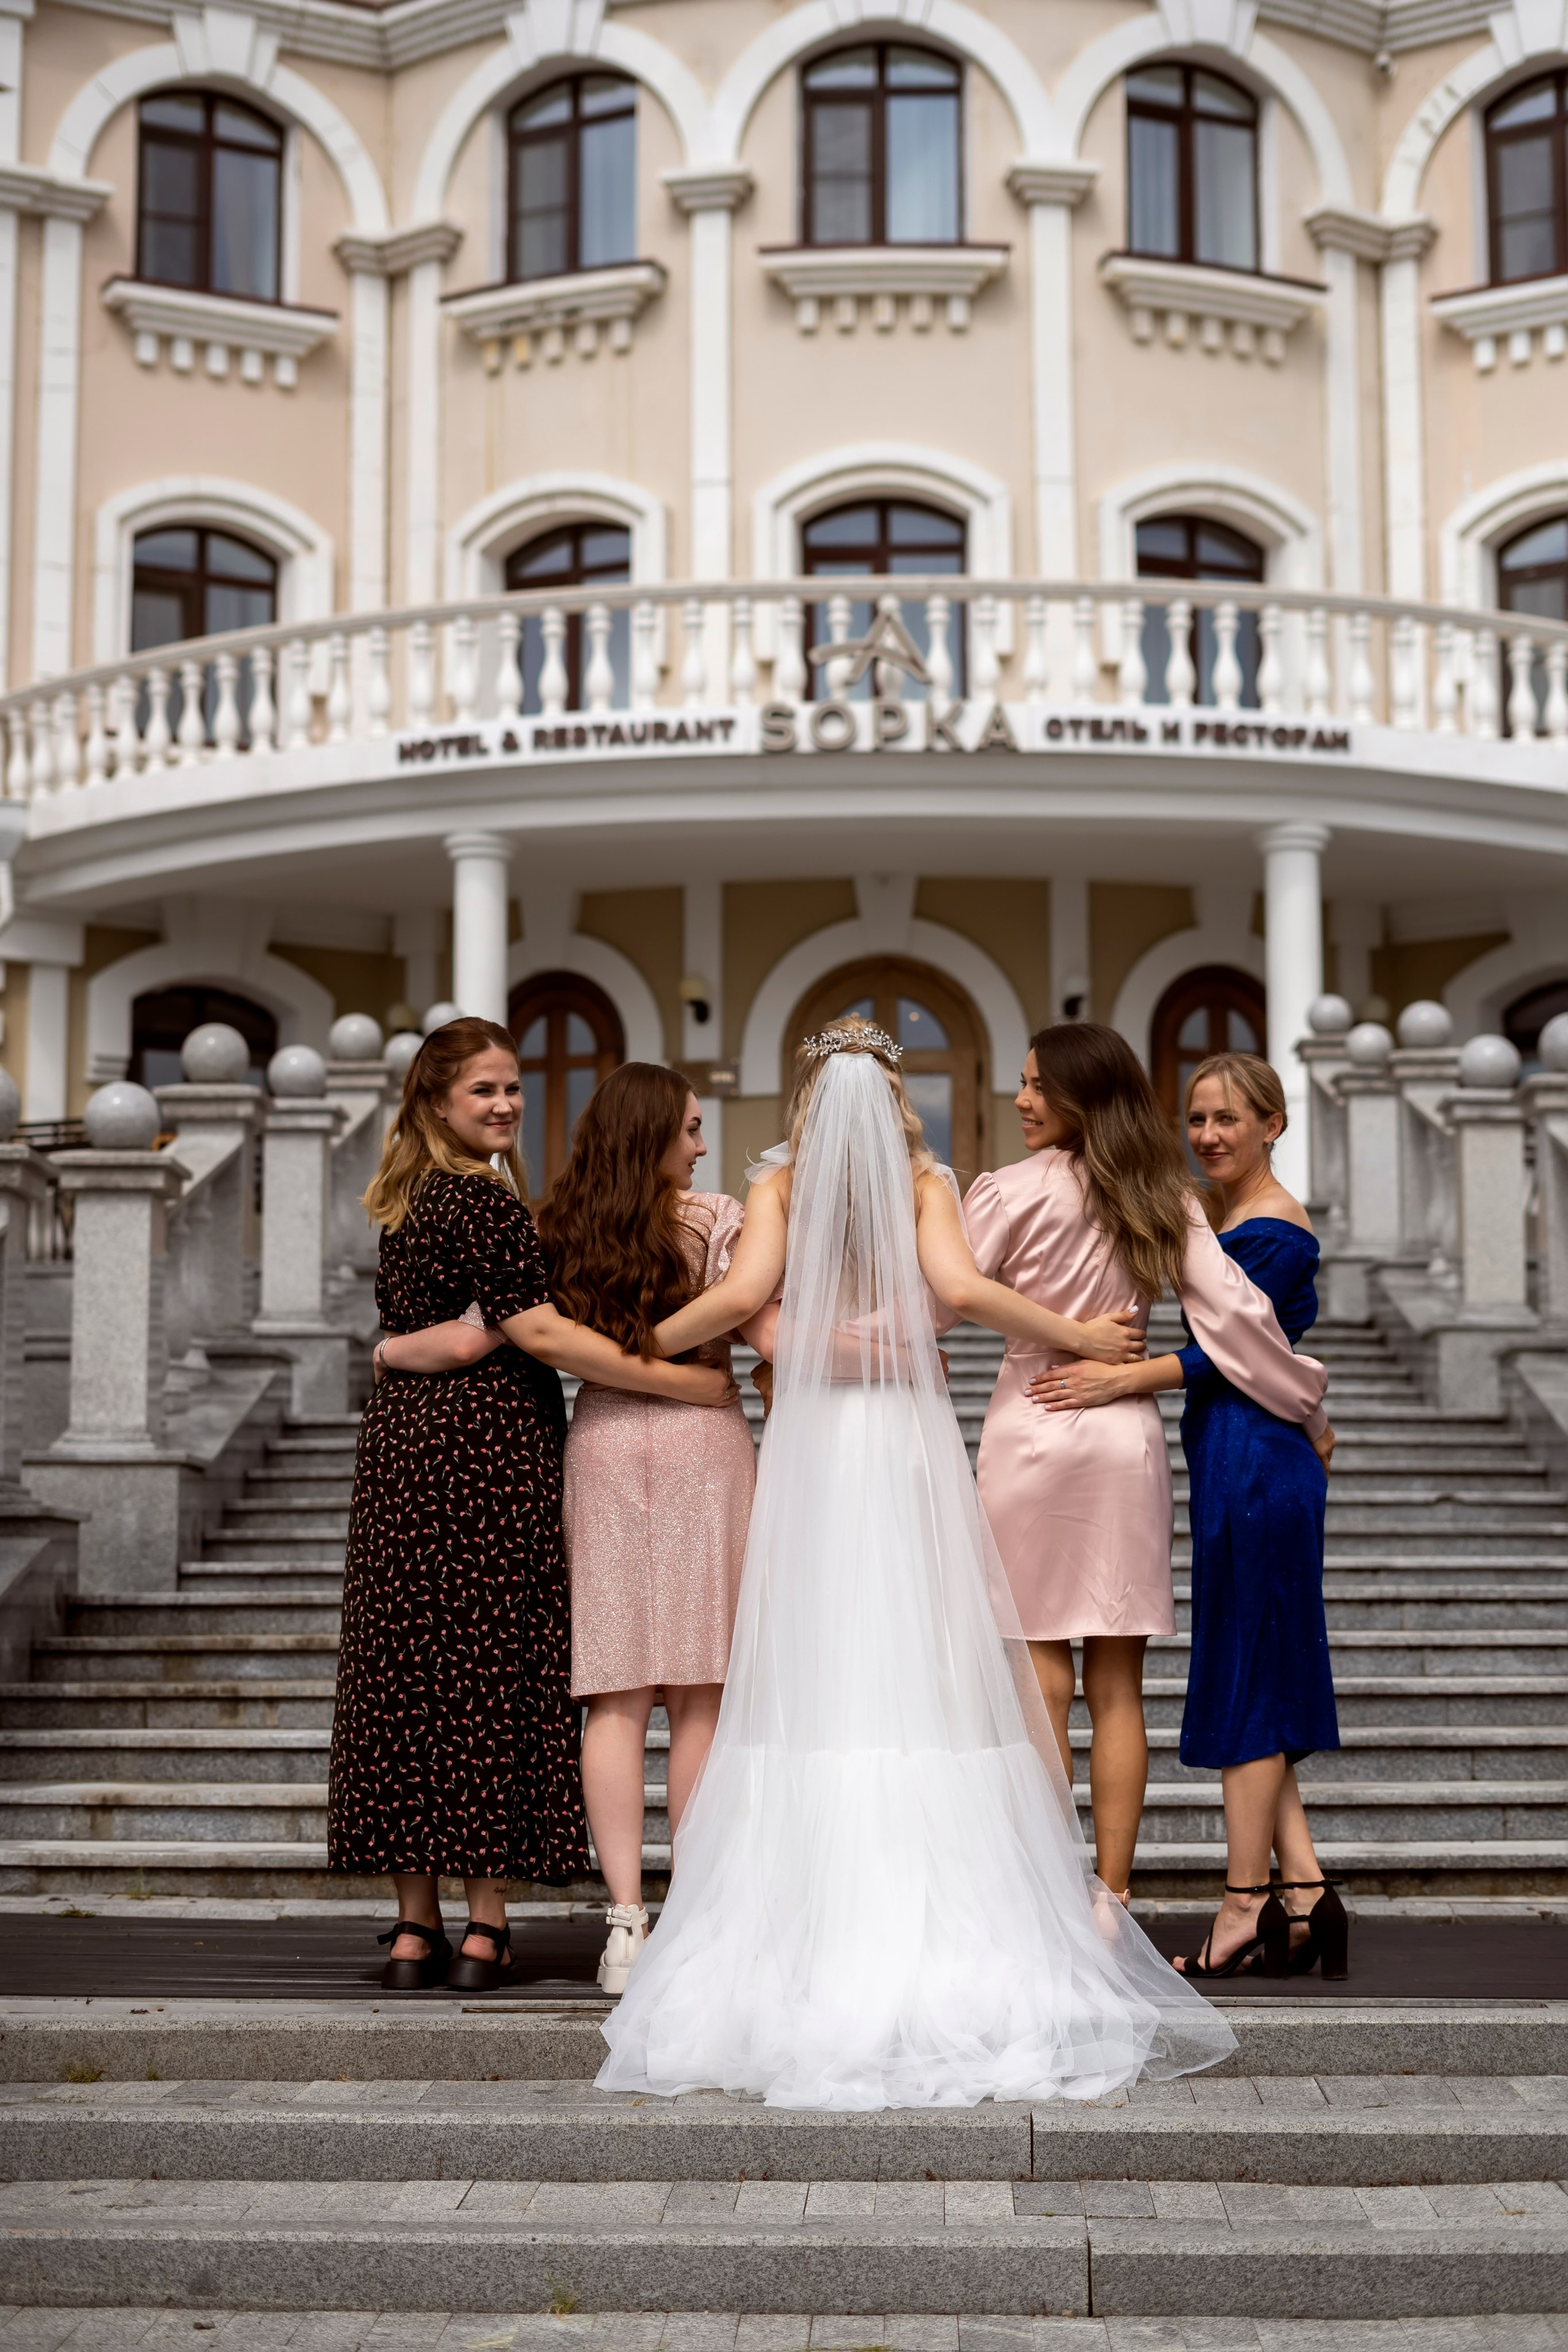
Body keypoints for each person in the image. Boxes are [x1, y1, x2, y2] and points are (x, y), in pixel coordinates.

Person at [595, 1016, 1234, 2111]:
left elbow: (744, 1305)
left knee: (820, 1651)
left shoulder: (779, 1187)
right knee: (918, 1654)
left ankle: (792, 1924)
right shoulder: (929, 1183)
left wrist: (639, 1344)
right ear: (896, 1101)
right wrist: (1057, 1334)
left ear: (809, 1102)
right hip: (900, 1437)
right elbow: (958, 1297)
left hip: (817, 1450)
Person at [327, 1018, 738, 1995]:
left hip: (400, 1448)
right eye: (485, 1090)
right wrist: (680, 1382)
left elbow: (429, 1334)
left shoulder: (406, 1200)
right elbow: (538, 1334)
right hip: (487, 1453)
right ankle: (485, 1927)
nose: (507, 1103)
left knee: (404, 1673)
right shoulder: (486, 1200)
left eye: (513, 1087)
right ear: (436, 1102)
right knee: (486, 1674)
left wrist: (389, 1353)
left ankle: (414, 1928)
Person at [963, 1023, 1330, 1906]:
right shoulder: (1165, 1193)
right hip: (1123, 1436)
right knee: (1118, 1686)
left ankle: (1047, 1897)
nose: (1021, 1099)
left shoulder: (1007, 1189)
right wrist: (1306, 1399)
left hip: (1034, 1416)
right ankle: (1112, 1901)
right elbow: (1241, 1320)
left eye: (1038, 1086)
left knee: (1041, 1676)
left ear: (1081, 1094)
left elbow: (942, 1296)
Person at [1039, 1051, 1343, 1980]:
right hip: (1236, 1457)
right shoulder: (1219, 1213)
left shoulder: (1275, 1229)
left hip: (1257, 1465)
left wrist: (1122, 1378)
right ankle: (1307, 1892)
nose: (1208, 1135)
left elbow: (1234, 1351)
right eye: (1198, 1118)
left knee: (1252, 1675)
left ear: (1273, 1125)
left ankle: (1244, 1903)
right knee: (1258, 1666)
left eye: (1229, 1119)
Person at [537, 1065, 768, 1996]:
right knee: (701, 1695)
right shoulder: (716, 1220)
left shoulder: (558, 1227)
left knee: (616, 1697)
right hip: (703, 1441)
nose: (703, 1147)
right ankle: (698, 1918)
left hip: (601, 1443)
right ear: (654, 1134)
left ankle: (625, 1923)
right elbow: (757, 1321)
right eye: (692, 1129)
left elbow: (527, 1334)